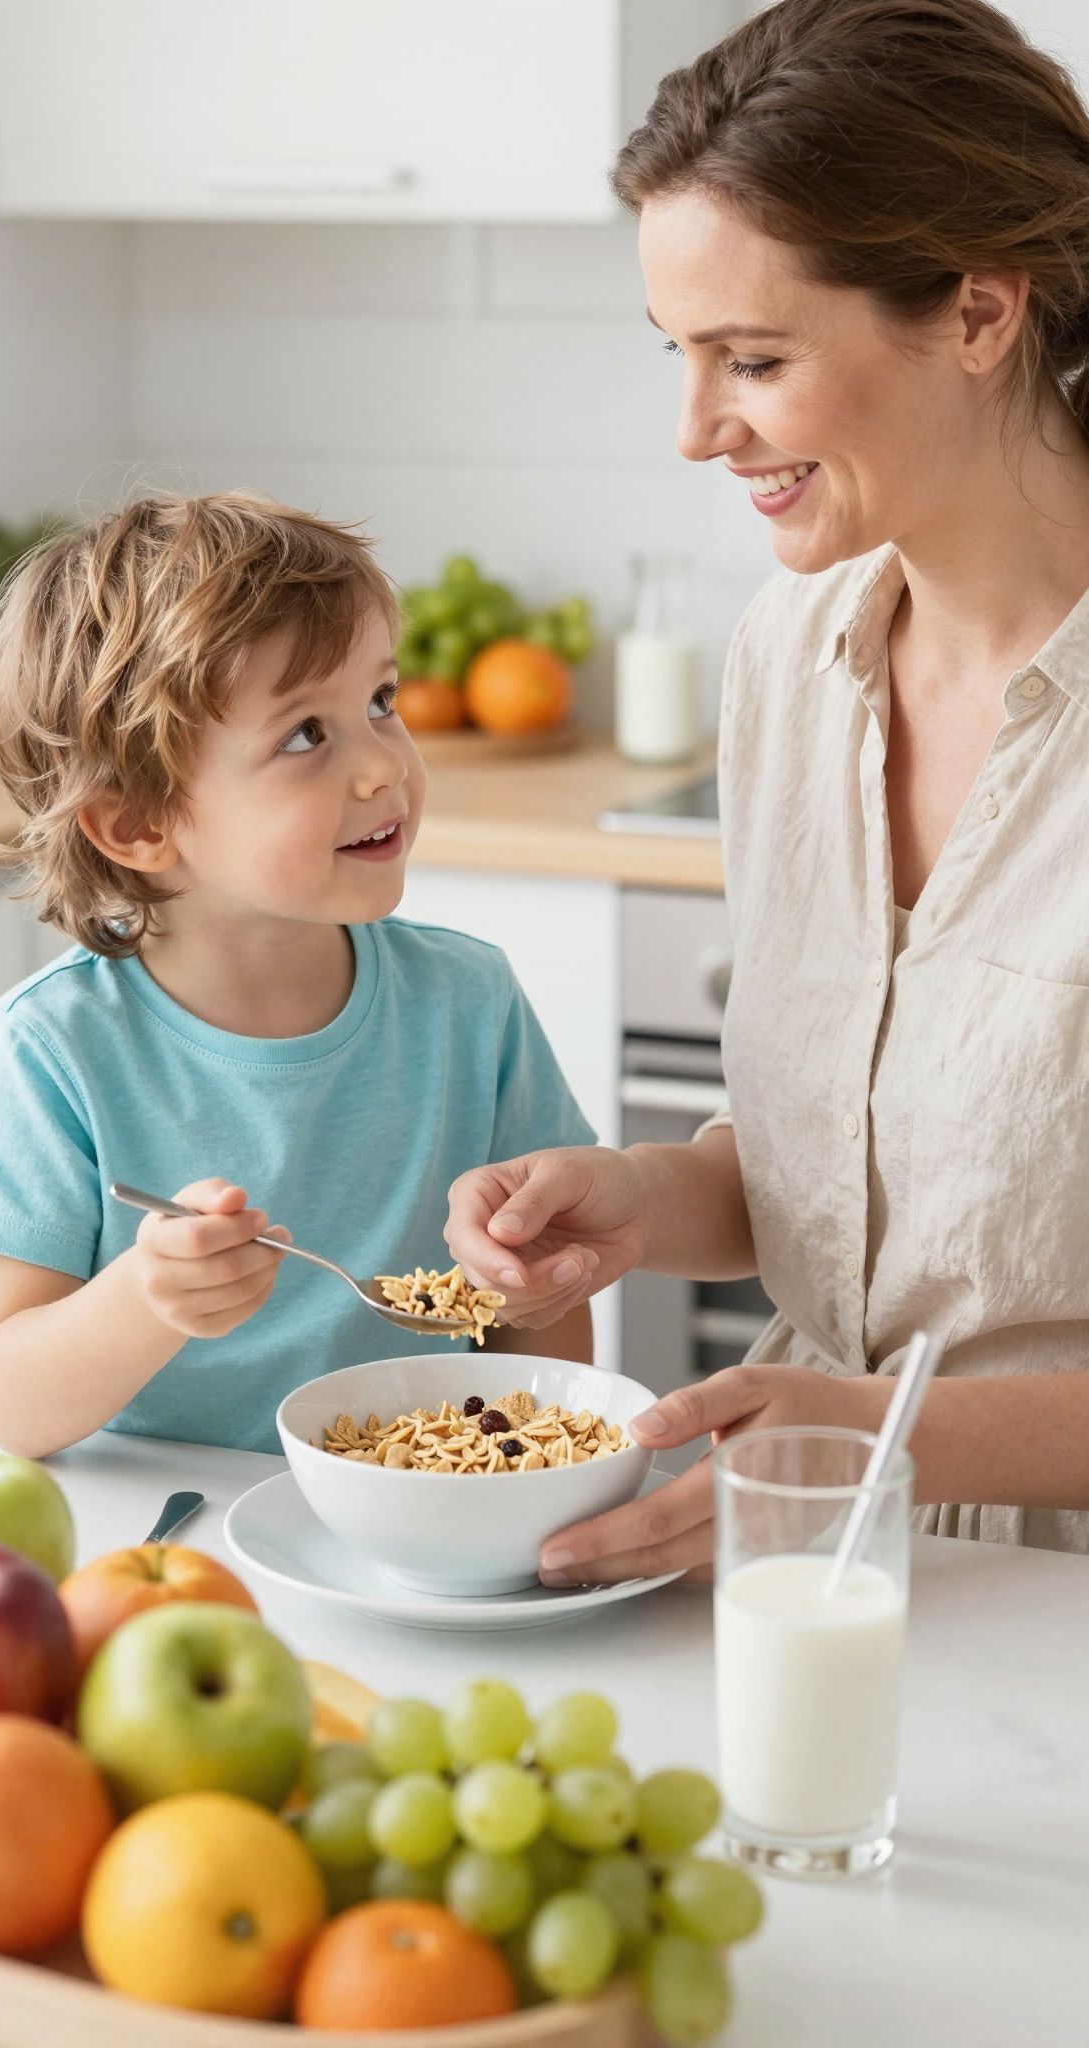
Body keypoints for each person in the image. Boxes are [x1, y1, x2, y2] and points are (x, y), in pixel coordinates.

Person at [446, 0, 1089, 1575]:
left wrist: (876, 1435)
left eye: (754, 360)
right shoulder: (789, 658)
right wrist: (643, 1199)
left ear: (981, 316)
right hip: (803, 1565)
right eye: (679, 355)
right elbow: (871, 1174)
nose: (692, 429)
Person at [0, 492, 594, 1456]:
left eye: (380, 701)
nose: (383, 768)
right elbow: (8, 1406)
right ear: (138, 825)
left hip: (411, 1513)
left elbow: (542, 1337)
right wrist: (147, 1299)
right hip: (174, 1522)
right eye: (304, 736)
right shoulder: (49, 1050)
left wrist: (534, 1307)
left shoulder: (469, 1002)